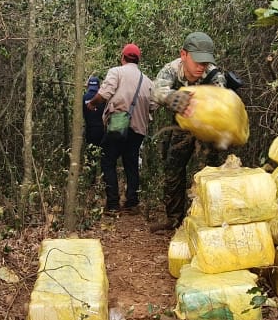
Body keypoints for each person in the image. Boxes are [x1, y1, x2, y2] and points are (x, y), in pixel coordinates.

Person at [150, 31, 227, 231]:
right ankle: (174, 219)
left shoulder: (214, 75)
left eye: (205, 62)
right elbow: (157, 90)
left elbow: (222, 100)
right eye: (197, 62)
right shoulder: (172, 70)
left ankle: (201, 220)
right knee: (172, 170)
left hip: (206, 130)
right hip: (181, 126)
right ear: (183, 55)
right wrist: (173, 98)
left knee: (205, 173)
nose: (201, 67)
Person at [86, 43, 153, 212]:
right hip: (138, 129)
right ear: (138, 60)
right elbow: (153, 105)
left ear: (122, 57)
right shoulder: (147, 81)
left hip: (117, 125)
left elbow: (105, 93)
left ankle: (113, 203)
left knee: (108, 161)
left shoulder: (116, 72)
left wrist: (92, 104)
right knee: (131, 163)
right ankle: (132, 202)